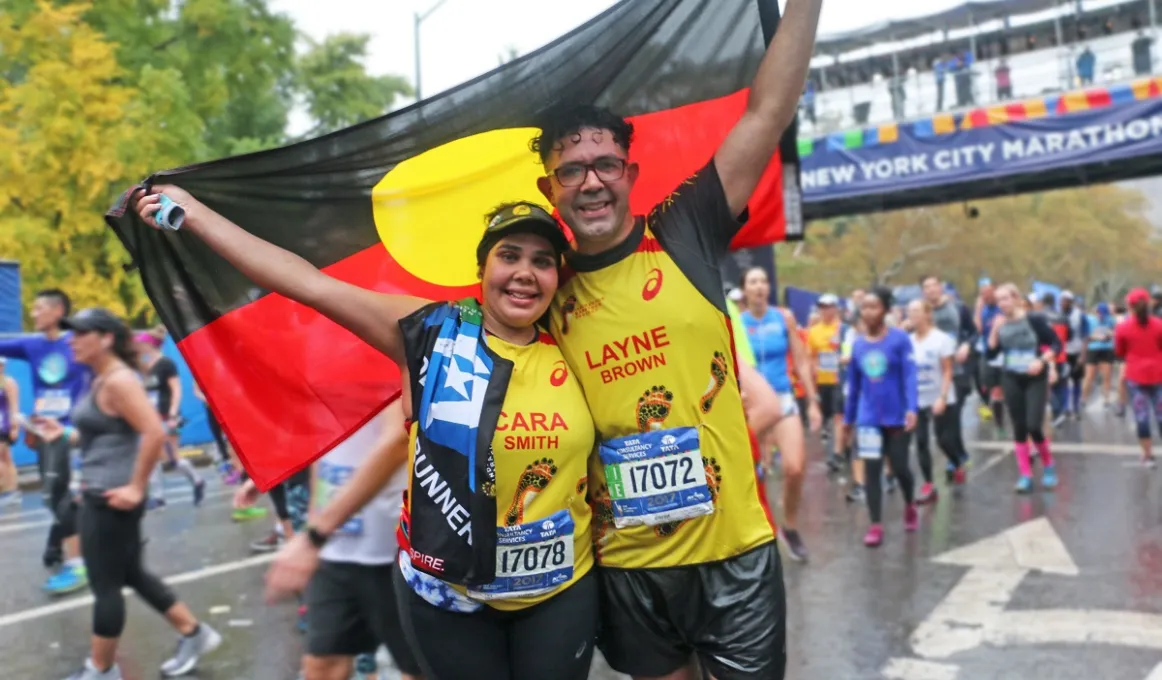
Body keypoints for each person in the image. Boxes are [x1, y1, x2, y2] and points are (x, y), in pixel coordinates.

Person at [134, 189, 599, 679]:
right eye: (509, 256)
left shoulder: (575, 343)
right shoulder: (432, 333)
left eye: (542, 261)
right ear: (482, 270)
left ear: (556, 277)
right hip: (446, 595)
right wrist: (195, 214)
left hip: (558, 589)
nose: (525, 272)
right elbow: (306, 283)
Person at [530, 0, 822, 675]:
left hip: (736, 555)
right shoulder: (541, 290)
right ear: (552, 189)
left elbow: (767, 110)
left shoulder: (683, 229)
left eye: (605, 164)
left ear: (629, 175)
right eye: (572, 170)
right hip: (629, 567)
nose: (592, 180)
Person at [33, 308, 221, 680]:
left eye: (79, 333)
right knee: (132, 574)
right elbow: (104, 436)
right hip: (99, 493)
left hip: (113, 499)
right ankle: (195, 634)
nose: (71, 340)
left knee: (105, 587)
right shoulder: (99, 379)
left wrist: (137, 487)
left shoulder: (119, 381)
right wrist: (64, 433)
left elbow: (152, 431)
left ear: (104, 338)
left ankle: (100, 670)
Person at [266, 401, 422, 680]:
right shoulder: (317, 364)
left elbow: (398, 439)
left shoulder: (391, 361)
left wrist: (315, 535)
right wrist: (315, 526)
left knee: (417, 669)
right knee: (322, 664)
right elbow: (322, 446)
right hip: (334, 550)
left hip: (398, 552)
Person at [0, 288, 91, 592]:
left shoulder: (79, 344)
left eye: (39, 308)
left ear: (57, 311)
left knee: (62, 496)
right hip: (42, 434)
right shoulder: (31, 345)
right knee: (55, 496)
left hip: (70, 433)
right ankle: (64, 545)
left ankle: (77, 563)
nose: (33, 314)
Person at [739, 267, 820, 563]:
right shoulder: (737, 321)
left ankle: (790, 525)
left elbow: (800, 361)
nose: (759, 286)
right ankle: (759, 533)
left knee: (795, 468)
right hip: (753, 405)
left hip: (783, 398)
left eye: (763, 280)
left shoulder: (783, 317)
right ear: (745, 289)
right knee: (751, 473)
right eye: (753, 281)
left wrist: (812, 401)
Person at [843, 287, 918, 548]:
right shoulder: (858, 345)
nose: (868, 312)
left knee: (900, 468)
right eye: (864, 307)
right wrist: (848, 420)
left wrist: (912, 408)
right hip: (868, 419)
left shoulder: (900, 340)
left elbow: (909, 376)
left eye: (874, 306)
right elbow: (853, 386)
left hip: (896, 417)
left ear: (885, 310)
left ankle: (910, 503)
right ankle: (875, 524)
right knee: (871, 471)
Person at [987, 283, 1062, 493]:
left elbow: (1056, 344)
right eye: (998, 300)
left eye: (1005, 298)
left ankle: (1048, 465)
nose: (1002, 304)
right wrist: (994, 329)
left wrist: (1042, 360)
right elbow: (991, 354)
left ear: (1017, 299)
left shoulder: (1034, 319)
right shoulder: (999, 323)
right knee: (1019, 426)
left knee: (1034, 425)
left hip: (1035, 377)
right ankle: (1025, 474)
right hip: (1011, 376)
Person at [135, 333, 204, 508]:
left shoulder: (166, 363)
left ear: (149, 344)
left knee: (171, 458)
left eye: (140, 344)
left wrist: (173, 414)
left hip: (167, 415)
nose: (138, 347)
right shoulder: (146, 366)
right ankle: (158, 497)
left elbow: (176, 389)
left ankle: (197, 479)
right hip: (152, 417)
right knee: (150, 455)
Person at [920, 275, 973, 482]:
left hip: (957, 372)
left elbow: (973, 332)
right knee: (942, 427)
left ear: (941, 287)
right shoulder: (922, 313)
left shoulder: (958, 307)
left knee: (953, 418)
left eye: (934, 286)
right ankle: (958, 454)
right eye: (926, 287)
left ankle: (956, 458)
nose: (931, 290)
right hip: (934, 376)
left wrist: (966, 345)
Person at [907, 300, 959, 504]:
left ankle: (957, 462)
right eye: (910, 312)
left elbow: (947, 370)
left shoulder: (941, 339)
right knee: (920, 441)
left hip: (939, 396)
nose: (913, 315)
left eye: (917, 311)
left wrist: (943, 397)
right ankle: (929, 484)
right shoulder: (908, 340)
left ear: (928, 314)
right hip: (917, 397)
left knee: (943, 440)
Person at [1115, 289, 1162, 467]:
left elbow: (1119, 352)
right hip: (1159, 374)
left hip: (1135, 375)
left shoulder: (1123, 327)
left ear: (1130, 306)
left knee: (1141, 416)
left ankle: (1148, 456)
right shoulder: (1159, 324)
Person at [807, 294, 847, 471]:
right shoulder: (813, 331)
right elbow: (811, 356)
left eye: (829, 306)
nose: (825, 310)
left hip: (840, 379)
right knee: (828, 417)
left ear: (836, 308)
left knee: (839, 415)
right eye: (822, 307)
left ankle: (837, 454)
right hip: (822, 380)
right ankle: (842, 446)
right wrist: (813, 371)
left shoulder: (843, 329)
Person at [974, 280, 1006, 429]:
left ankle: (999, 423)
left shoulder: (1002, 307)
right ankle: (985, 409)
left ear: (994, 291)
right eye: (982, 294)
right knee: (982, 383)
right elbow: (978, 330)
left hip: (1003, 351)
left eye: (987, 293)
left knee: (999, 388)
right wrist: (978, 310)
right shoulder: (984, 309)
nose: (985, 297)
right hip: (986, 350)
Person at [1082, 302, 1117, 409]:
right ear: (1096, 312)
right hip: (1093, 349)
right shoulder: (1089, 320)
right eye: (1100, 313)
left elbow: (1116, 332)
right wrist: (1095, 337)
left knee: (1106, 376)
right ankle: (1083, 398)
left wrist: (1110, 334)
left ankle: (1106, 399)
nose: (1101, 316)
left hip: (1106, 349)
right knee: (1089, 376)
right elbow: (1085, 335)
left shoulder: (1110, 320)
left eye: (1104, 314)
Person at [1061, 291, 1089, 418]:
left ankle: (1076, 407)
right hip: (1062, 352)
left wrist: (1082, 356)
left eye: (1066, 300)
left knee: (1076, 380)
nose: (1063, 303)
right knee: (1064, 380)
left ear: (1071, 301)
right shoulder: (1058, 314)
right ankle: (1066, 407)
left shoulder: (1080, 315)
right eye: (1062, 300)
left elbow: (1085, 336)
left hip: (1076, 351)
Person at [0, 357, 20, 505]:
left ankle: (9, 490)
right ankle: (11, 490)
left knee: (3, 457)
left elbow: (14, 406)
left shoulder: (8, 383)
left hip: (3, 425)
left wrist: (15, 427)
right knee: (6, 457)